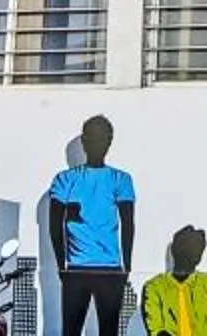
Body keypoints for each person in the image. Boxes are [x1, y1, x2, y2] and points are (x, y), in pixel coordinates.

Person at [47, 114, 139, 336]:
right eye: (95, 138)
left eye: (103, 138)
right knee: (79, 331)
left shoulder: (120, 179)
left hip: (99, 270)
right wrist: (63, 265)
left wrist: (126, 266)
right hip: (86, 269)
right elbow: (54, 225)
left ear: (110, 142)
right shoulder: (65, 179)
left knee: (98, 331)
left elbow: (128, 224)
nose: (99, 143)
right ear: (85, 142)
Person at [141, 224, 207, 336]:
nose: (188, 257)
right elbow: (155, 326)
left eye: (193, 253)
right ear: (174, 251)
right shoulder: (154, 287)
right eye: (184, 251)